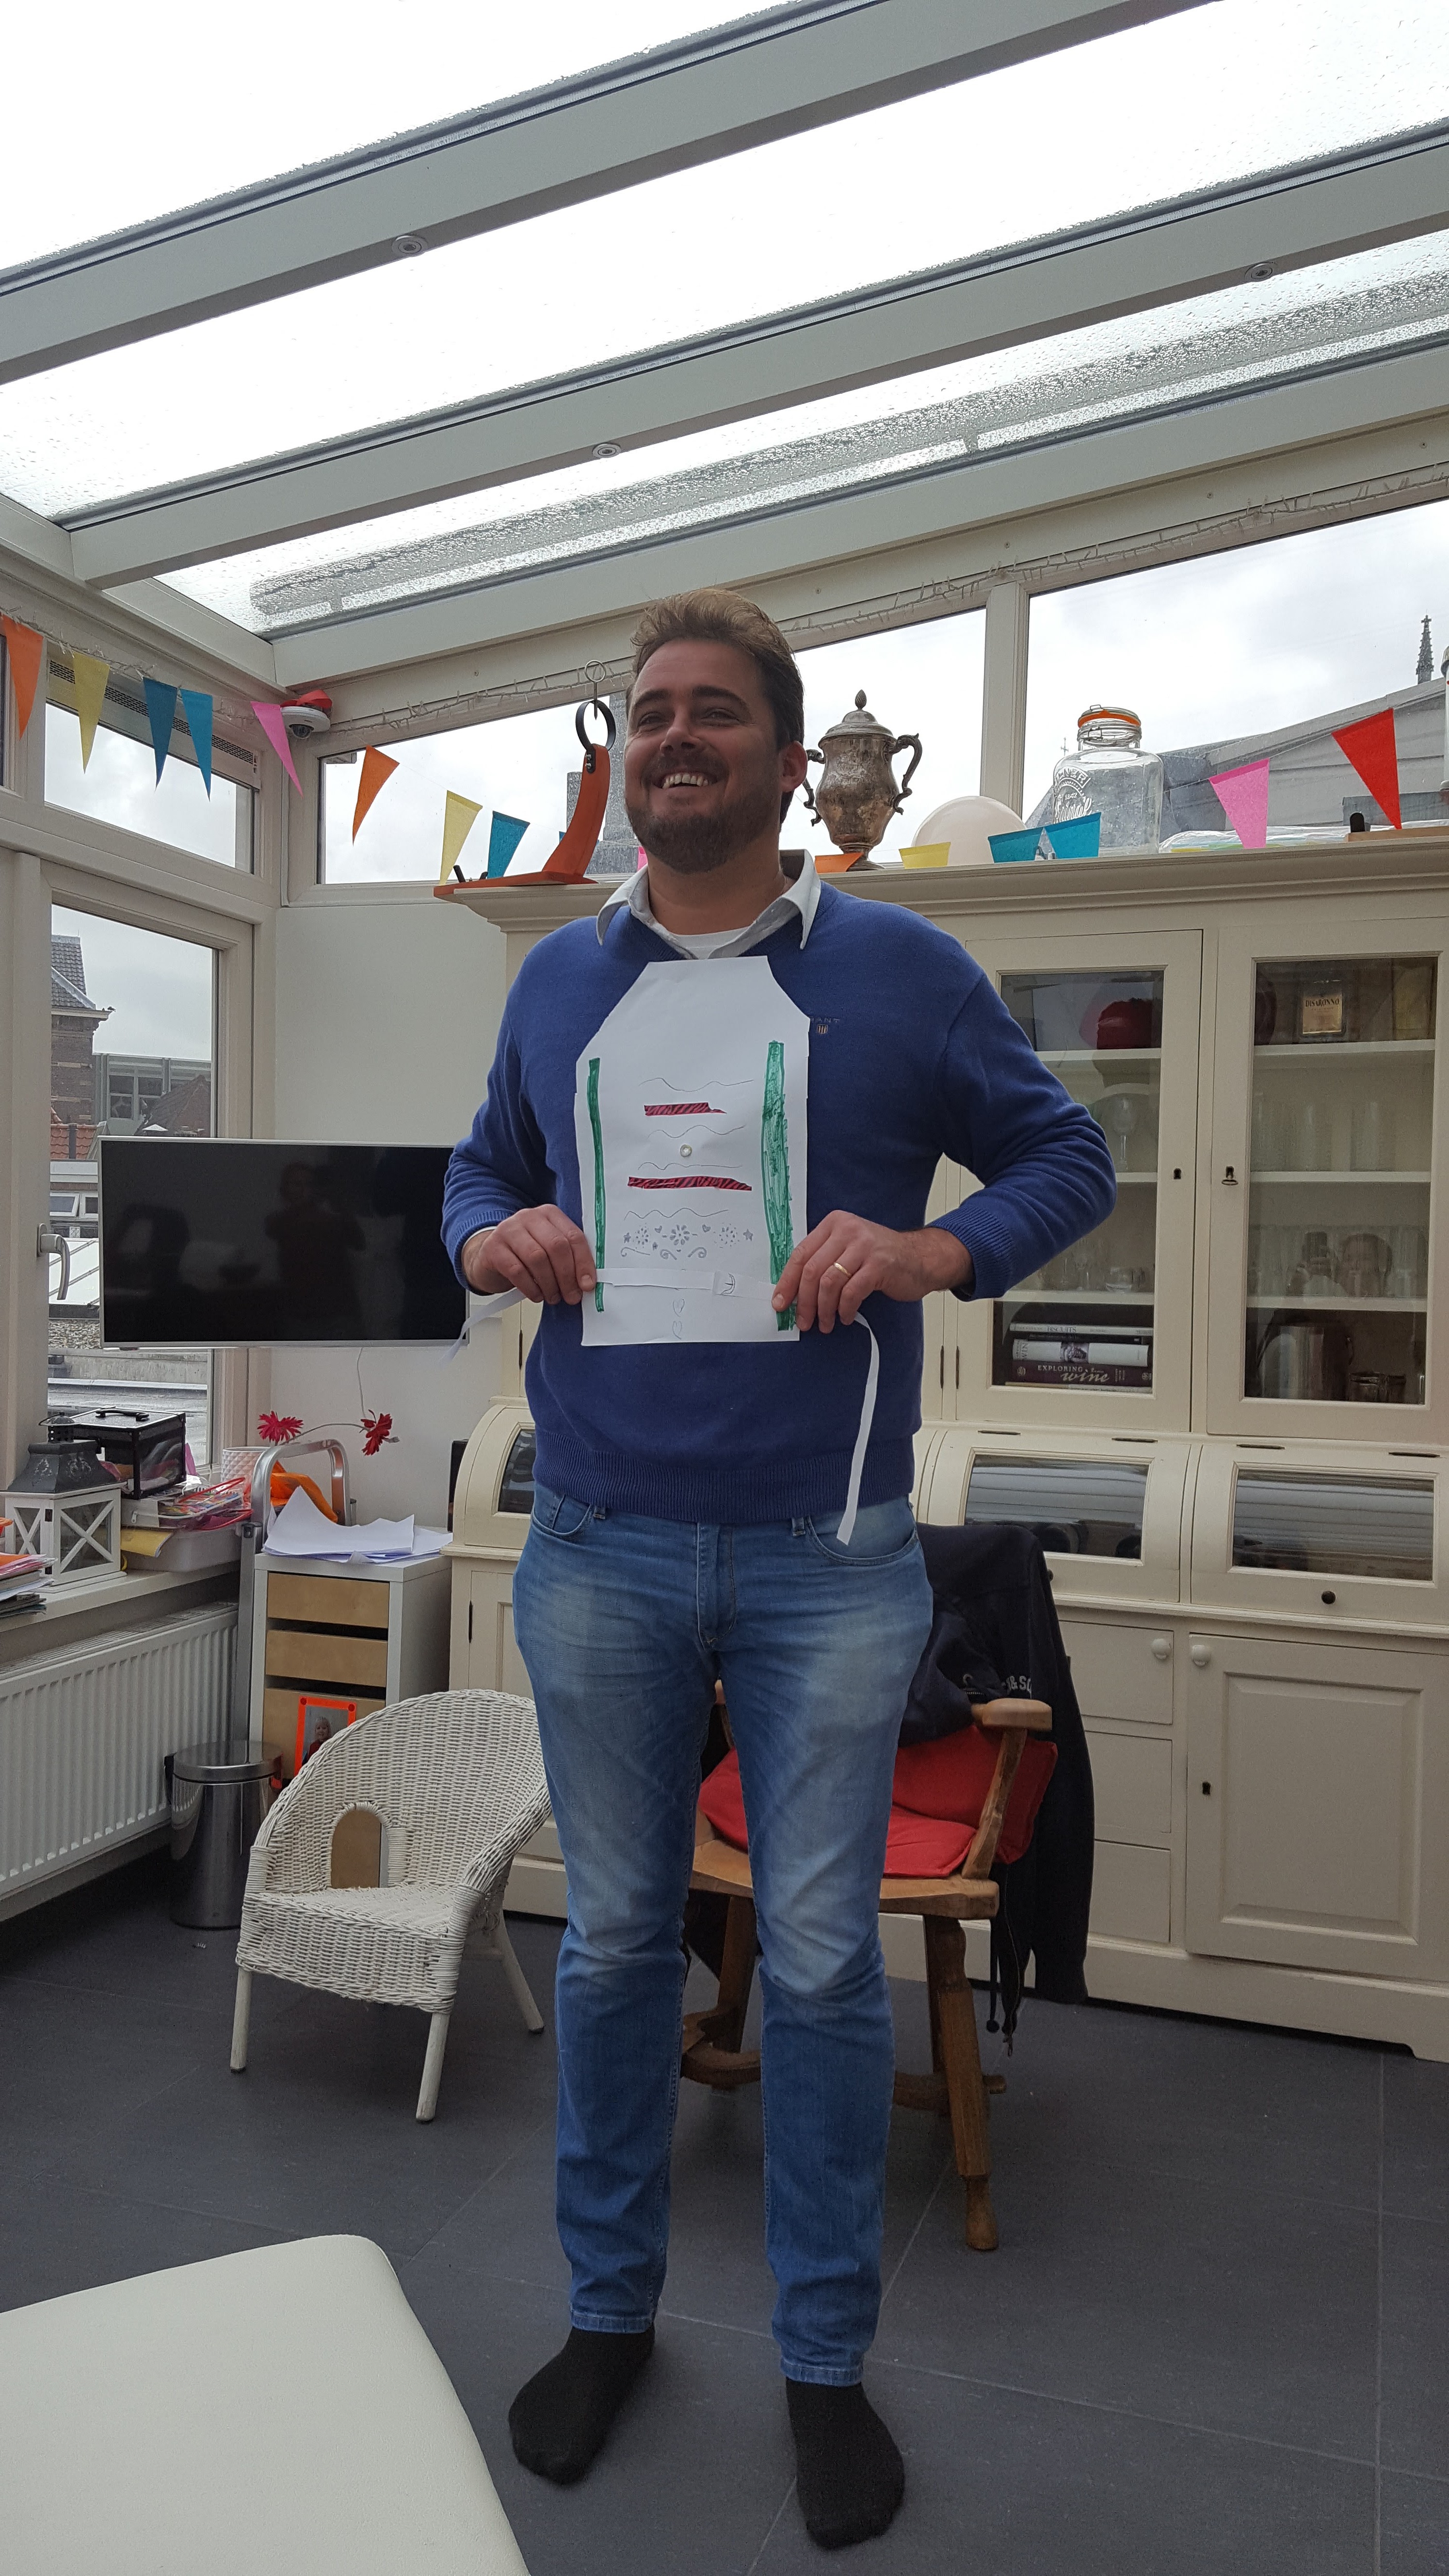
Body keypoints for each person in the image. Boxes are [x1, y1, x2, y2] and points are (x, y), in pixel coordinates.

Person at [442, 590, 1115, 2550]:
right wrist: (492, 1237)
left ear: (787, 754)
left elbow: (1067, 1159)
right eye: (650, 711)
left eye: (714, 711)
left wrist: (927, 1250)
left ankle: (824, 2356)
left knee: (818, 1965)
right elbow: (478, 1173)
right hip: (597, 1543)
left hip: (832, 1559)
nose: (676, 737)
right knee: (616, 1951)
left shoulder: (902, 969)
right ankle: (607, 2317)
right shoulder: (556, 981)